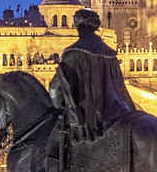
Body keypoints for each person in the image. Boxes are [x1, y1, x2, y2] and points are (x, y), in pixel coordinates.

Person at [48, 8, 136, 142]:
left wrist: (58, 109)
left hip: (90, 115)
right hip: (118, 110)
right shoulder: (110, 54)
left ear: (78, 27)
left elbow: (55, 89)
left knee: (56, 137)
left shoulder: (73, 52)